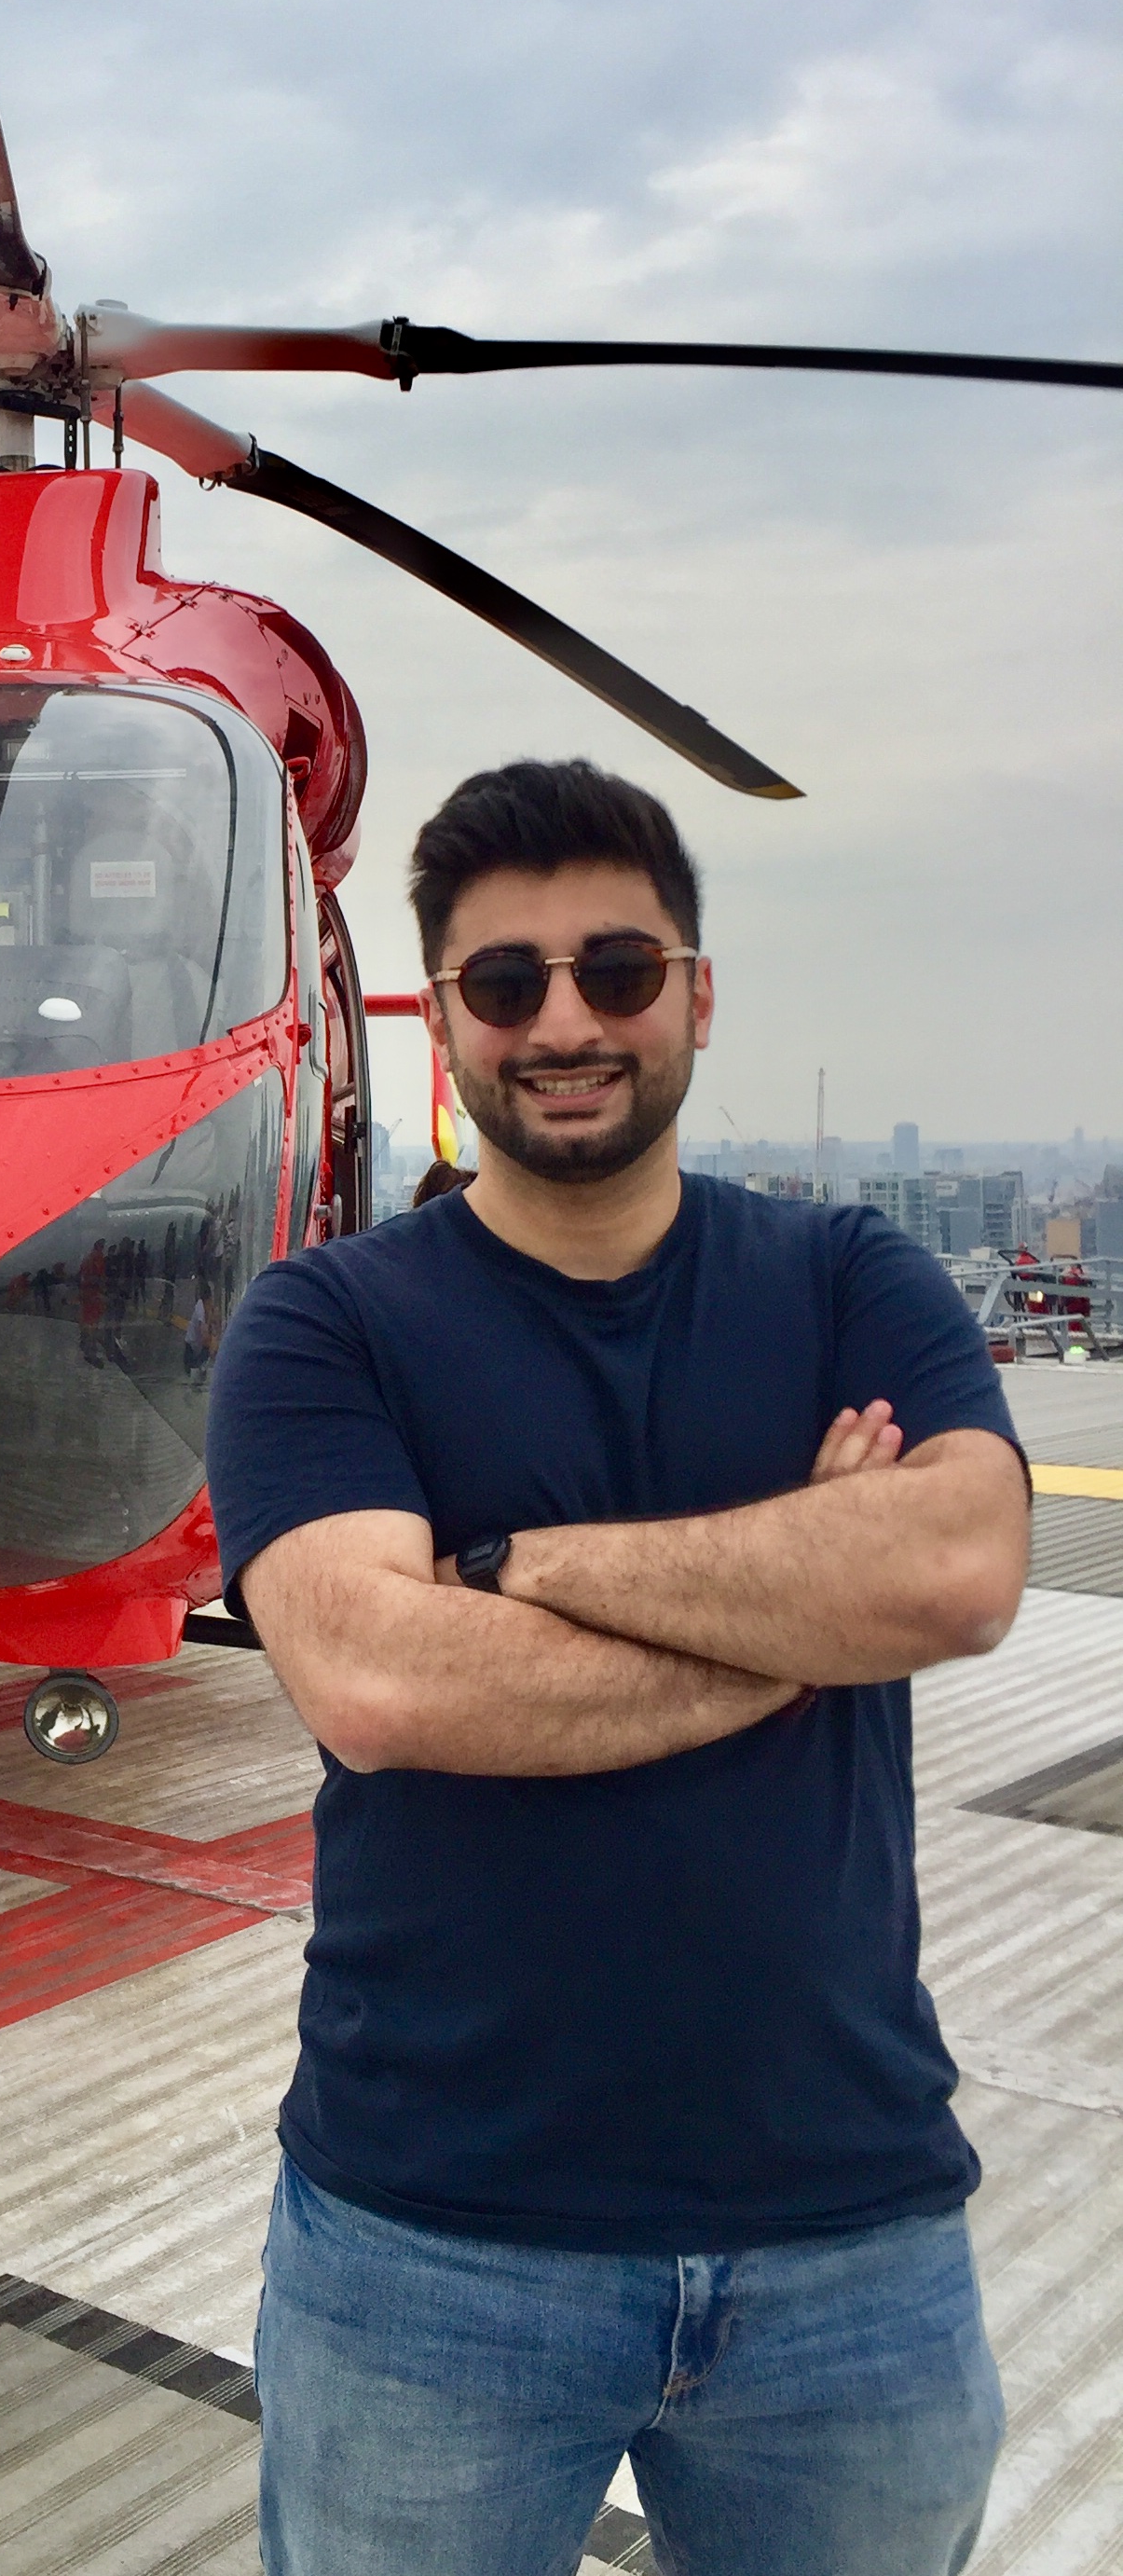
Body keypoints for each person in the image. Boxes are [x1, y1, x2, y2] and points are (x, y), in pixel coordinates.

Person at [205, 758, 1028, 2576]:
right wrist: (798, 1617)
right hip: (433, 2245)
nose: (565, 1023)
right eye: (505, 983)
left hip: (848, 2234)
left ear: (697, 996)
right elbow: (385, 1684)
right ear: (447, 1023)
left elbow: (960, 1568)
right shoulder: (328, 1322)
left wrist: (523, 1566)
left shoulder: (851, 1277)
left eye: (620, 970)